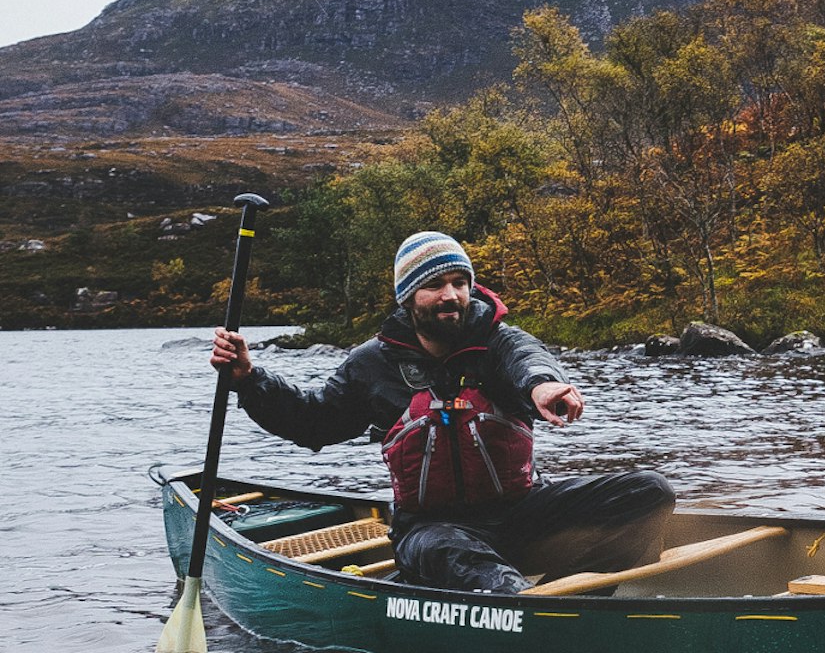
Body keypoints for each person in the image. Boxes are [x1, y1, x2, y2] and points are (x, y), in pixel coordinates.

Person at [210, 231, 674, 594]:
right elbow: (309, 422)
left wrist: (545, 387)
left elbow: (530, 364)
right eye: (434, 285)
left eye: (459, 283)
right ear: (408, 297)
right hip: (433, 529)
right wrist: (250, 380)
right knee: (447, 550)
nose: (451, 295)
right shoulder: (372, 364)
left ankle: (579, 596)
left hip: (524, 514)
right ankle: (514, 597)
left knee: (648, 492)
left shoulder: (499, 340)